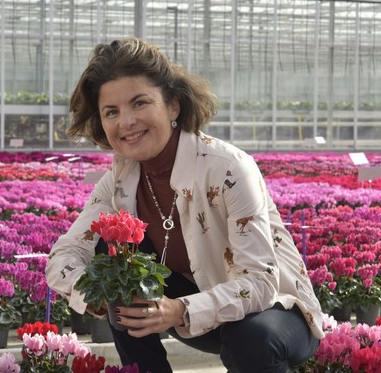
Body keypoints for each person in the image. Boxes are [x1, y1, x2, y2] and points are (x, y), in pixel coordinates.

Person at [46, 37, 324, 373]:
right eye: (111, 112)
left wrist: (179, 310)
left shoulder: (228, 168)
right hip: (195, 316)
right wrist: (100, 294)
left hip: (275, 312)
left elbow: (261, 284)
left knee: (251, 338)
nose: (126, 122)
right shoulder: (120, 180)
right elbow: (63, 256)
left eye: (139, 103)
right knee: (113, 253)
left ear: (173, 106)